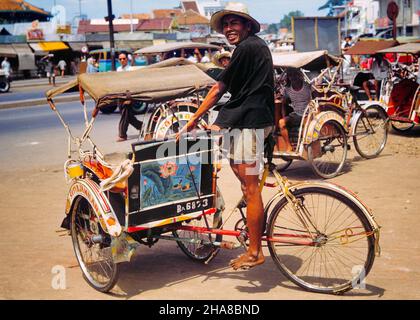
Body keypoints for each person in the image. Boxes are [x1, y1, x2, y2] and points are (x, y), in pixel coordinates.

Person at [177, 4, 275, 270]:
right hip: (251, 120)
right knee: (243, 179)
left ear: (246, 25)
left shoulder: (247, 48)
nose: (229, 29)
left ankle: (255, 252)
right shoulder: (253, 48)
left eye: (235, 23)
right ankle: (252, 235)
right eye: (226, 25)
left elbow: (219, 89)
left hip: (250, 123)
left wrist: (194, 119)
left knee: (250, 189)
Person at [278, 67, 312, 153]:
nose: (293, 77)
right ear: (288, 77)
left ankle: (303, 147)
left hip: (307, 114)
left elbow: (315, 99)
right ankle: (289, 146)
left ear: (299, 75)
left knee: (305, 125)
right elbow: (283, 104)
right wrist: (284, 115)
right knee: (281, 123)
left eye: (295, 74)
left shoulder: (307, 87)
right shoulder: (287, 90)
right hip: (296, 114)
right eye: (291, 75)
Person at [116, 53, 143, 142]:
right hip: (120, 95)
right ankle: (141, 126)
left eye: (124, 58)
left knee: (125, 115)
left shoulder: (130, 69)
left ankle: (122, 135)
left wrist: (129, 98)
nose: (122, 60)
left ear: (127, 60)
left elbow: (132, 83)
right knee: (128, 116)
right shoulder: (118, 70)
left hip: (128, 95)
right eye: (120, 59)